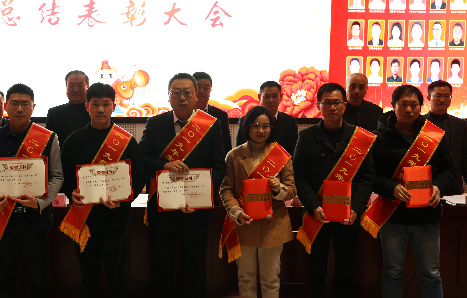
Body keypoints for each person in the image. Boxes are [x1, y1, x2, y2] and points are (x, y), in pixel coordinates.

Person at [139, 73, 225, 298]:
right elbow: (141, 160)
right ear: (169, 97)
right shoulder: (155, 123)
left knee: (195, 267)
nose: (182, 98)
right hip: (162, 209)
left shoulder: (210, 125)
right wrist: (164, 165)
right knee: (161, 267)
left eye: (187, 93)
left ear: (196, 96)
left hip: (196, 211)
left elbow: (219, 167)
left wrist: (201, 197)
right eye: (176, 93)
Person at [368, 85, 457, 298]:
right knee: (392, 272)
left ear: (421, 106)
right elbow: (370, 177)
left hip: (427, 216)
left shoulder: (433, 135)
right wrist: (391, 187)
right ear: (393, 106)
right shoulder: (379, 137)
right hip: (393, 216)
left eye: (414, 105)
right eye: (403, 104)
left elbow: (451, 171)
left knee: (431, 273)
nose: (409, 110)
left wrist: (438, 186)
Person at [61, 82, 146, 298]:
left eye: (106, 104)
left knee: (116, 277)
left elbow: (138, 178)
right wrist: (71, 191)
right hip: (84, 220)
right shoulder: (73, 141)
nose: (100, 109)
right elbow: (64, 176)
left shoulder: (126, 141)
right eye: (95, 104)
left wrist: (124, 199)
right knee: (88, 277)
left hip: (115, 221)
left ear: (113, 106)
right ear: (87, 106)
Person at [0, 83, 63, 298]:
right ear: (6, 106)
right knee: (2, 279)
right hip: (2, 217)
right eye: (14, 103)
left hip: (35, 219)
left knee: (37, 279)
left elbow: (57, 176)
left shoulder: (49, 138)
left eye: (25, 104)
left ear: (33, 107)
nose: (19, 109)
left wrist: (41, 202)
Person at [293, 82, 375, 298]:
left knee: (346, 269)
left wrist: (356, 208)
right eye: (327, 103)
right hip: (315, 214)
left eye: (336, 102)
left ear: (344, 105)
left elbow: (367, 178)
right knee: (315, 268)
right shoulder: (306, 137)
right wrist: (313, 206)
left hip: (348, 215)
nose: (332, 107)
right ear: (318, 106)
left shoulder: (359, 138)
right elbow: (299, 176)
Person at [220, 106, 296, 298]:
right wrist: (236, 212)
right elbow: (226, 189)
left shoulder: (281, 156)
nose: (261, 131)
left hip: (273, 226)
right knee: (246, 278)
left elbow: (291, 190)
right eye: (255, 126)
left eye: (265, 126)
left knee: (270, 279)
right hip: (245, 224)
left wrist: (278, 188)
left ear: (271, 128)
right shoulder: (234, 155)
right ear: (247, 127)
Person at [426, 81, 467, 193]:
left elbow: (465, 159)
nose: (442, 100)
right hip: (429, 185)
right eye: (438, 96)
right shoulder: (420, 123)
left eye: (446, 96)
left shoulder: (460, 124)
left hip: (454, 187)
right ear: (428, 97)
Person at [235, 81, 298, 155]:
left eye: (274, 96)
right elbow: (239, 150)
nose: (270, 100)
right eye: (266, 96)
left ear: (281, 98)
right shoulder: (246, 120)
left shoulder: (290, 122)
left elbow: (293, 152)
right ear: (259, 97)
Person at [46, 70, 91, 149]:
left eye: (80, 85)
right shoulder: (54, 113)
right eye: (71, 86)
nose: (75, 90)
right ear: (66, 88)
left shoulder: (95, 112)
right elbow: (48, 143)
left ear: (87, 87)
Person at [193, 72, 232, 152]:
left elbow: (226, 146)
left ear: (210, 90)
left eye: (206, 88)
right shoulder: (182, 114)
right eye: (198, 87)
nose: (201, 91)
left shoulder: (221, 116)